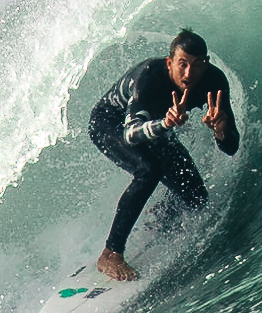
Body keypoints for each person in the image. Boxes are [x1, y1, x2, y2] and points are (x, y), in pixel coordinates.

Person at [87, 29, 239, 280]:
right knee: (149, 171)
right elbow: (130, 135)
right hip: (109, 123)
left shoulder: (214, 83)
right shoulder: (149, 76)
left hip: (157, 128)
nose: (189, 74)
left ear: (206, 64)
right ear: (170, 63)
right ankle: (111, 254)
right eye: (182, 64)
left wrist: (221, 131)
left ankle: (157, 219)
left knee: (195, 196)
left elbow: (231, 147)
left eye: (197, 65)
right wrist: (166, 124)